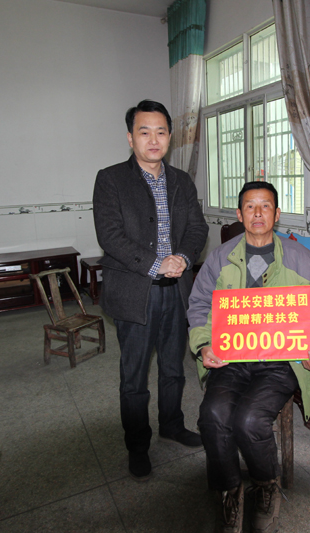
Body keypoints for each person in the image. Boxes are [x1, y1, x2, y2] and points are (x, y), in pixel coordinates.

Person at [188, 182, 310, 533]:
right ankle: (229, 489)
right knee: (213, 415)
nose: (258, 213)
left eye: (265, 206)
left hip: (281, 362)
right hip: (231, 359)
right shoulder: (220, 258)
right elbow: (199, 304)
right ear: (240, 214)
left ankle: (267, 485)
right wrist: (204, 345)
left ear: (277, 214)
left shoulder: (301, 259)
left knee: (249, 420)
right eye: (250, 206)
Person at [93, 99, 208, 481]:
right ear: (131, 137)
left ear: (170, 137)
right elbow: (110, 236)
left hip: (177, 292)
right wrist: (157, 263)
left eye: (161, 131)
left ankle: (172, 425)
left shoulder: (181, 181)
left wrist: (183, 257)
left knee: (174, 368)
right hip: (135, 293)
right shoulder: (110, 179)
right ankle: (137, 445)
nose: (153, 139)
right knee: (135, 376)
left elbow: (197, 228)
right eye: (144, 132)